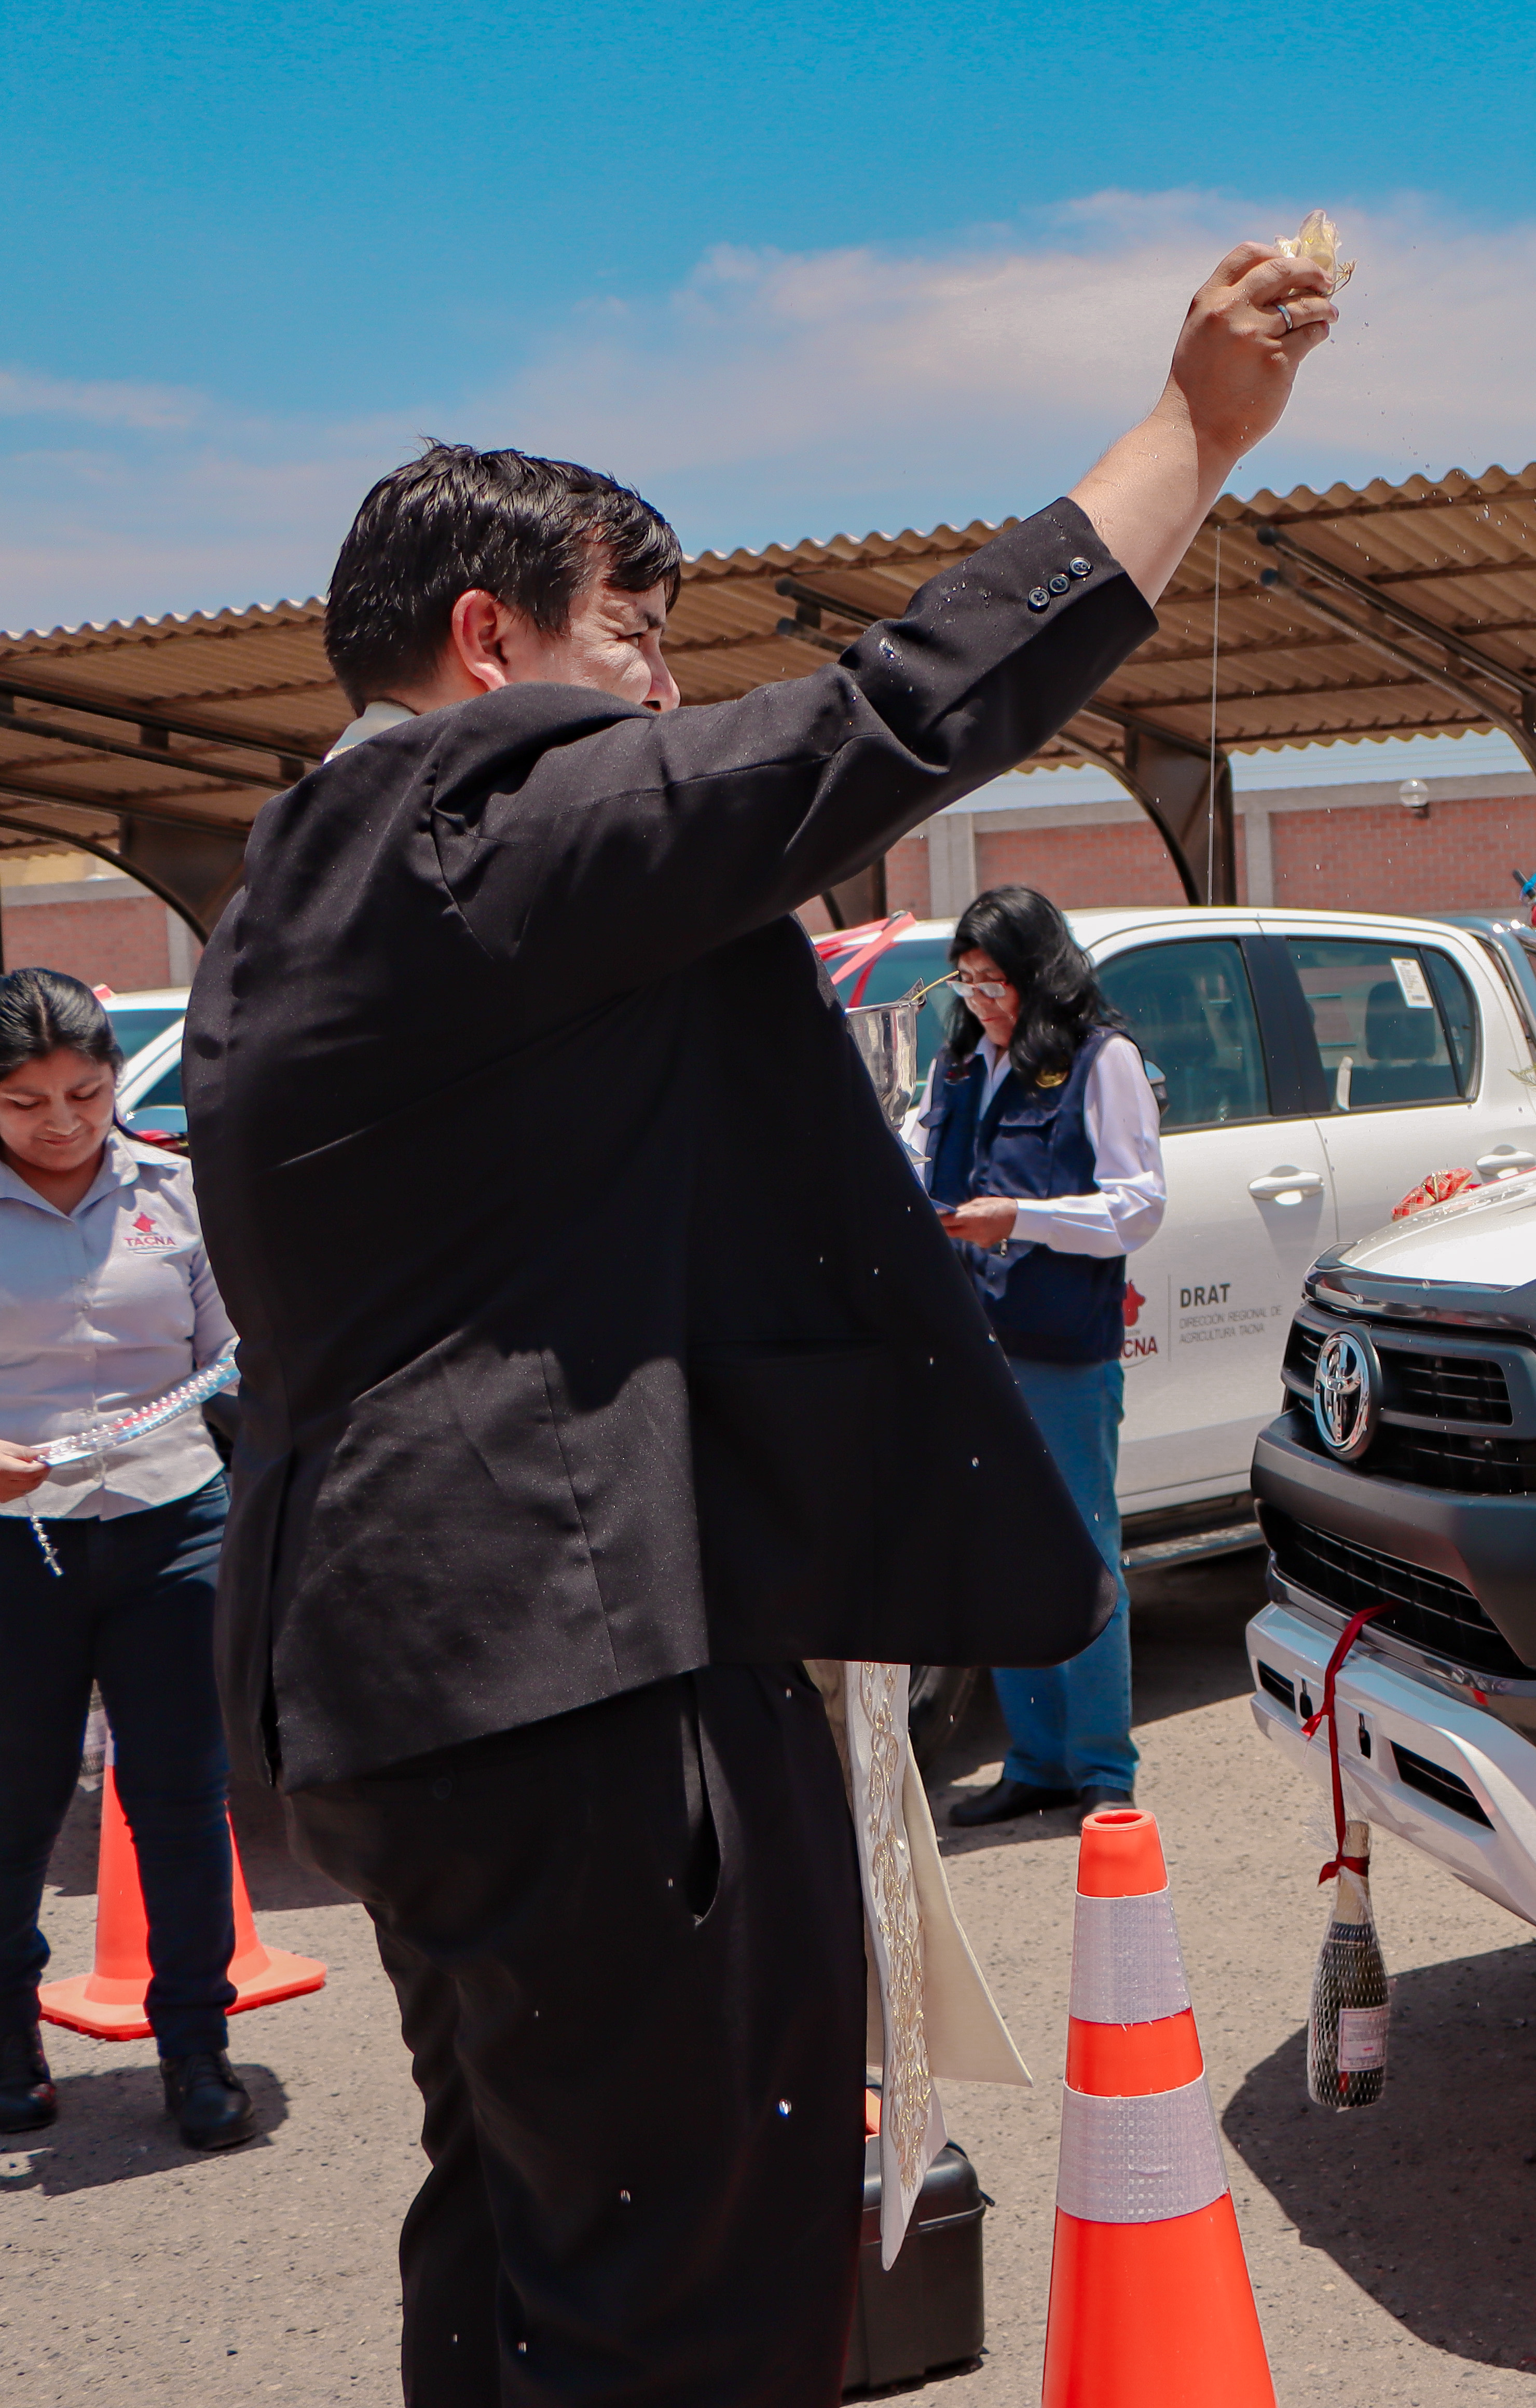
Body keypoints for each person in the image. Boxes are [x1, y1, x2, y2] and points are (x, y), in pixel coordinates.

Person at [188, 240, 1333, 2404]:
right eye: (632, 634)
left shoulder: (298, 884)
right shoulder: (472, 820)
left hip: (401, 1673)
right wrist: (1190, 434)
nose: (660, 693)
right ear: (482, 637)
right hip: (572, 1666)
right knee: (699, 2283)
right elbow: (889, 719)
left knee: (532, 2240)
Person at [0, 970, 251, 2152]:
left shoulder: (180, 1193)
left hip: (172, 1526)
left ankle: (196, 2046)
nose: (60, 1120)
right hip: (18, 1549)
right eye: (26, 1100)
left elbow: (231, 1358)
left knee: (182, 1802)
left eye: (85, 1091)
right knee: (13, 1805)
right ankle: (9, 2042)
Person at [916, 885, 1165, 1829]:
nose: (980, 1000)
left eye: (997, 982)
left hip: (1061, 1348)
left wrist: (1022, 1219)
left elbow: (1138, 1206)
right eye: (967, 982)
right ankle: (1037, 1762)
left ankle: (1104, 1769)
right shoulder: (959, 1065)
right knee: (1003, 1556)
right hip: (974, 1346)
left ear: (1041, 971)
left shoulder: (1104, 1062)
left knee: (1081, 1553)